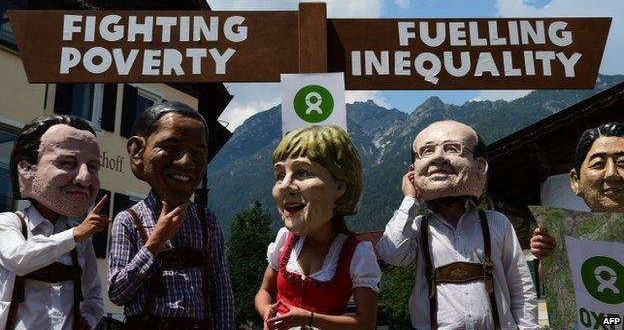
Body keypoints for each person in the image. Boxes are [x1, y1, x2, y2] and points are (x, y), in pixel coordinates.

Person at [377, 120, 539, 330]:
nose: (437, 157)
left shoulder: (496, 223)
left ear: (480, 166)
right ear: (413, 171)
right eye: (427, 151)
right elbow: (391, 253)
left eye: (452, 148)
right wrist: (410, 200)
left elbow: (520, 288)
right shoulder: (417, 228)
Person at [108, 102, 234, 329]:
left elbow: (222, 293)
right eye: (172, 147)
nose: (186, 162)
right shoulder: (128, 220)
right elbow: (117, 293)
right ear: (138, 152)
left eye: (198, 153)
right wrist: (154, 243)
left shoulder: (208, 222)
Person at [255, 125, 381, 330]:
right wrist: (266, 309)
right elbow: (264, 291)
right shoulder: (284, 241)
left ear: (340, 186)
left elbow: (366, 323)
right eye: (280, 175)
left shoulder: (357, 255)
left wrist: (309, 319)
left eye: (302, 173)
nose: (285, 185)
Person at [0, 115, 108, 330]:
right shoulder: (9, 223)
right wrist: (75, 235)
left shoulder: (80, 239)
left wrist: (87, 319)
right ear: (27, 170)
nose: (85, 178)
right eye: (68, 163)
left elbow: (94, 294)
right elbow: (19, 259)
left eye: (93, 167)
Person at [530, 122, 624, 258]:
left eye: (622, 162)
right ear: (576, 181)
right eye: (598, 164)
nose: (611, 173)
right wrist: (548, 255)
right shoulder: (565, 237)